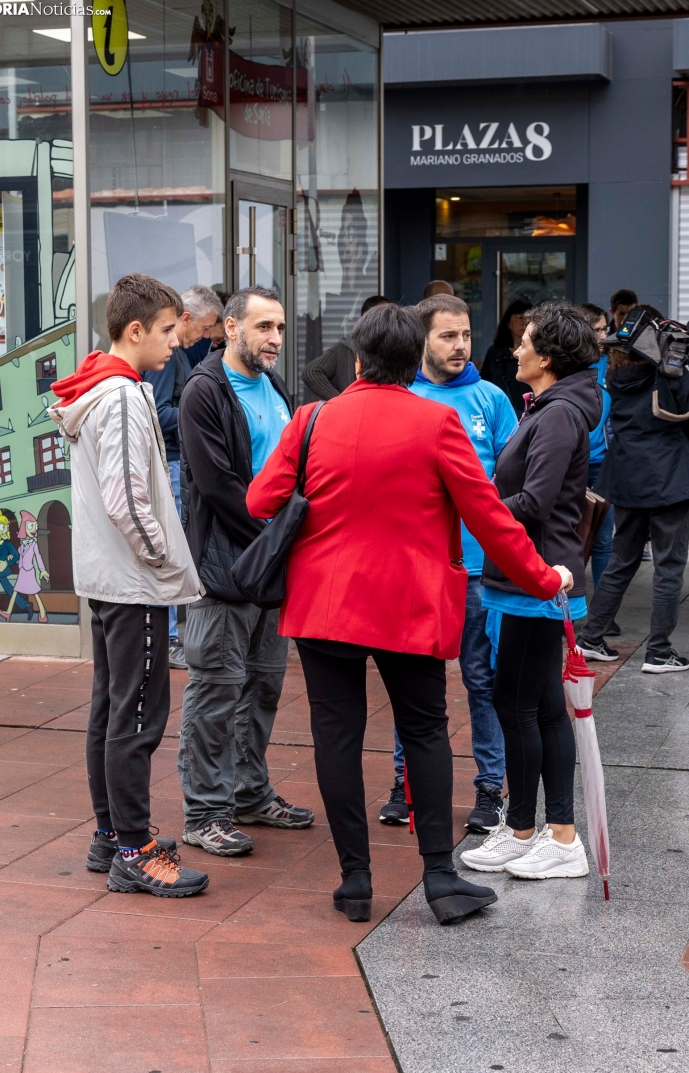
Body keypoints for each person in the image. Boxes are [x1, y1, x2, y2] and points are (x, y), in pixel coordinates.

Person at [246, 303, 573, 926]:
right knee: (424, 730)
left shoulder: (312, 418)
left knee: (335, 737)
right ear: (412, 359)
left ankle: (355, 881)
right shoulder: (437, 422)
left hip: (323, 606)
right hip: (409, 606)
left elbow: (261, 498)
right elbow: (489, 518)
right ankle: (441, 879)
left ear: (360, 360)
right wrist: (542, 579)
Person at [49, 273, 209, 897]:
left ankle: (111, 836)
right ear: (135, 330)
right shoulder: (117, 395)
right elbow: (129, 499)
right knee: (136, 717)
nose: (177, 341)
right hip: (132, 581)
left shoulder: (107, 386)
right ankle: (134, 850)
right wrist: (164, 565)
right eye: (169, 330)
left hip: (114, 578)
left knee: (112, 711)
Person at [462, 302, 602, 881]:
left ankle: (534, 835)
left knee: (516, 704)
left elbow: (536, 503)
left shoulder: (558, 414)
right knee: (539, 706)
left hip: (536, 579)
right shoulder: (553, 406)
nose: (514, 350)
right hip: (532, 575)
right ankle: (549, 835)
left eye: (524, 343)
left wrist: (471, 505)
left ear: (546, 358)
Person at [177, 285, 314, 858]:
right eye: (263, 328)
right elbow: (219, 487)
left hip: (269, 566)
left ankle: (249, 794)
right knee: (215, 691)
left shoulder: (275, 386)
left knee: (261, 687)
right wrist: (274, 540)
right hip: (225, 566)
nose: (275, 339)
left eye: (279, 328)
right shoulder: (203, 390)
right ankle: (204, 812)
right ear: (230, 328)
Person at [379, 294, 517, 834]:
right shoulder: (401, 396)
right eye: (447, 336)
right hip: (417, 569)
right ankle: (405, 782)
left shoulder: (491, 399)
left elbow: (511, 481)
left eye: (464, 335)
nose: (460, 346)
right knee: (414, 681)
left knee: (483, 681)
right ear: (421, 341)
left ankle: (489, 791)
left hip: (480, 572)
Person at [576, 338, 689, 673]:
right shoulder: (669, 375)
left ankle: (591, 637)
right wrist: (676, 370)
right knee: (669, 565)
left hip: (626, 474)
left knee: (622, 560)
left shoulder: (615, 375)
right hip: (669, 476)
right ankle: (659, 652)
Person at [143, 285, 224, 670]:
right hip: (171, 463)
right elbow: (158, 413)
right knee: (173, 548)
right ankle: (173, 637)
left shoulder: (178, 357)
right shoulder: (168, 359)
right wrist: (198, 416)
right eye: (206, 328)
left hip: (175, 463)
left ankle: (173, 635)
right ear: (186, 319)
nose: (206, 337)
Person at [576, 303, 618, 617]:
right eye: (598, 329)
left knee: (603, 541)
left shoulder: (612, 362)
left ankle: (603, 615)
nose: (604, 335)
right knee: (569, 541)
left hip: (602, 465)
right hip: (570, 466)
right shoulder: (567, 365)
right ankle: (569, 607)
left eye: (605, 328)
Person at [301, 295, 391, 400]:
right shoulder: (346, 348)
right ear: (366, 319)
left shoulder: (390, 350)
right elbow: (311, 372)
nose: (390, 324)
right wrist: (340, 400)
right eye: (386, 318)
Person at [480, 300, 532, 415]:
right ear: (508, 323)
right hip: (502, 412)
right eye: (519, 318)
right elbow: (484, 383)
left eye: (527, 318)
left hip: (532, 412)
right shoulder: (495, 353)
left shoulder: (538, 352)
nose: (524, 322)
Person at [0, 511, 49, 623]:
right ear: (24, 528)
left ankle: (43, 612)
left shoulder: (34, 544)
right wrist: (12, 559)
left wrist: (42, 569)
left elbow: (38, 556)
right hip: (22, 571)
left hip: (29, 571)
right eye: (31, 526)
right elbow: (21, 557)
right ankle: (7, 613)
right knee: (15, 591)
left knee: (34, 592)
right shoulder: (22, 544)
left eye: (35, 526)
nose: (34, 529)